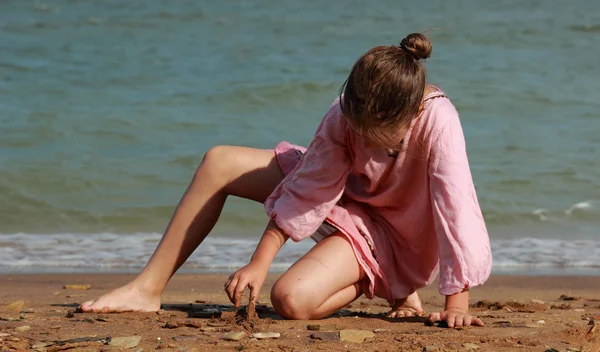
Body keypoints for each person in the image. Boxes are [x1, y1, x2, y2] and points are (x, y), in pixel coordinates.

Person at [79, 33, 492, 328]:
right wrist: (259, 262)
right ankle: (146, 289)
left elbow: (455, 211)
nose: (359, 135)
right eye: (355, 123)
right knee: (218, 162)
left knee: (291, 300)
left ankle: (391, 281)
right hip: (340, 196)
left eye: (371, 132)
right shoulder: (344, 112)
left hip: (393, 235)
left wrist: (457, 301)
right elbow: (311, 185)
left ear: (405, 118)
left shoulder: (439, 121)